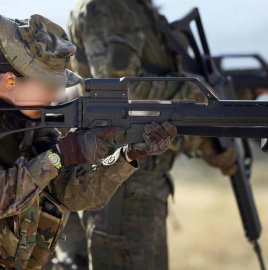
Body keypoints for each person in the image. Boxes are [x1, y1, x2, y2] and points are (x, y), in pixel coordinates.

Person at [65, 0, 239, 270]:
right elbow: (121, 91)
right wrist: (196, 97)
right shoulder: (110, 7)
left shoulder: (137, 8)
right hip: (121, 186)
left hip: (142, 183)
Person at [0, 13, 177, 270]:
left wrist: (126, 157)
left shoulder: (30, 123)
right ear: (10, 80)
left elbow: (67, 194)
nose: (56, 95)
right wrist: (58, 157)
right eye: (48, 85)